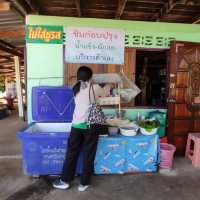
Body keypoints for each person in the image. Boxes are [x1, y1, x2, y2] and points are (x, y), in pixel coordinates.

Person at [53, 66, 108, 192]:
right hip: (90, 126)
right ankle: (84, 183)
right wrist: (105, 83)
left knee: (72, 153)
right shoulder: (95, 88)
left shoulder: (75, 87)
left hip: (76, 126)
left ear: (78, 77)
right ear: (90, 77)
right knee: (88, 154)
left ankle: (65, 181)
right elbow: (105, 92)